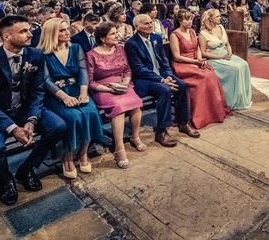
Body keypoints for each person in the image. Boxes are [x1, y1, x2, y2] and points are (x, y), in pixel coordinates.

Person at [0, 15, 67, 205]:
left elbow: (38, 91)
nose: (30, 34)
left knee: (58, 126)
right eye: (23, 31)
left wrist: (31, 120)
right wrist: (13, 128)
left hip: (24, 109)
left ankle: (26, 169)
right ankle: (5, 180)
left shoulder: (35, 55)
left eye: (29, 29)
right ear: (7, 37)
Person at [38, 18, 105, 178]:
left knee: (90, 112)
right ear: (51, 33)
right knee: (73, 117)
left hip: (77, 88)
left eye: (67, 29)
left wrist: (83, 93)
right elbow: (45, 80)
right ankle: (67, 156)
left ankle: (83, 152)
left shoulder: (76, 48)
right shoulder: (42, 54)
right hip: (56, 93)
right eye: (62, 30)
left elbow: (83, 71)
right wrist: (64, 97)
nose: (67, 32)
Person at [124, 14, 200, 148]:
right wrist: (162, 80)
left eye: (150, 22)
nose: (150, 25)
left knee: (182, 85)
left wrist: (169, 76)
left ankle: (183, 123)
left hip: (162, 75)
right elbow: (139, 70)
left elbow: (164, 62)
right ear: (136, 26)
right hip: (145, 79)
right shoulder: (131, 44)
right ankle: (161, 131)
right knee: (164, 91)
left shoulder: (156, 38)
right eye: (146, 23)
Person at [86, 22, 144, 169]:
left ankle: (135, 137)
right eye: (112, 34)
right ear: (103, 38)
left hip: (122, 85)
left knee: (136, 103)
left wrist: (125, 82)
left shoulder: (120, 49)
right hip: (103, 89)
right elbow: (90, 82)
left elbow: (127, 70)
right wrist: (109, 89)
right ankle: (119, 149)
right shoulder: (91, 55)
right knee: (118, 108)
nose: (117, 36)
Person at [170, 9, 229, 129]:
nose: (190, 21)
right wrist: (195, 62)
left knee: (210, 73)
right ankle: (199, 115)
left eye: (191, 19)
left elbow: (197, 48)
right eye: (187, 19)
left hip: (195, 61)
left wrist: (200, 59)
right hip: (182, 64)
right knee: (203, 77)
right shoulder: (174, 35)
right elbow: (177, 56)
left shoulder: (192, 32)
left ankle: (212, 111)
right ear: (180, 20)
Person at [199, 9, 252, 110]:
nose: (220, 18)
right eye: (217, 16)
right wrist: (220, 57)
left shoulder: (221, 27)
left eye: (219, 16)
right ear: (210, 19)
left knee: (244, 64)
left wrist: (230, 53)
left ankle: (243, 97)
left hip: (226, 55)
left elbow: (227, 43)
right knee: (235, 69)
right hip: (214, 59)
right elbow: (203, 52)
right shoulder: (203, 33)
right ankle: (231, 100)